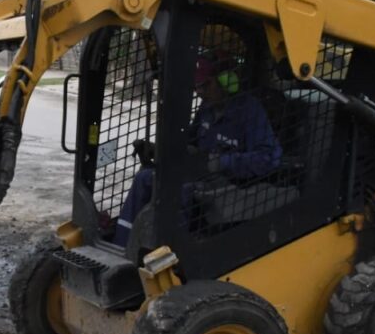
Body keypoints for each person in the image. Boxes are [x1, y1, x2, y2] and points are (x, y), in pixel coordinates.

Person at [113, 55, 282, 246]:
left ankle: (171, 250)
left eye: (205, 85)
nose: (200, 92)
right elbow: (189, 145)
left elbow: (269, 158)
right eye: (197, 87)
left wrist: (221, 162)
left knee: (180, 190)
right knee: (145, 177)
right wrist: (157, 150)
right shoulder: (207, 109)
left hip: (229, 180)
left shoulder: (250, 111)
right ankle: (122, 245)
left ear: (228, 80)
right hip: (199, 173)